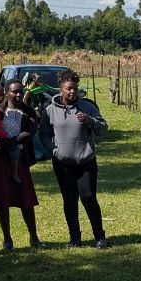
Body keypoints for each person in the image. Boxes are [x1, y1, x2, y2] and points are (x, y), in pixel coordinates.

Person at [0, 81, 42, 250]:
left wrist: (6, 143)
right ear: (7, 93)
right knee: (2, 199)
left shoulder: (27, 111)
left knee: (25, 198)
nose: (18, 95)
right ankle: (7, 239)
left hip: (18, 158)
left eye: (20, 92)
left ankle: (34, 237)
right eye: (14, 92)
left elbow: (29, 133)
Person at [43, 75, 108, 248]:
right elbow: (44, 133)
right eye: (68, 88)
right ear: (61, 90)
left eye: (75, 88)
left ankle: (99, 236)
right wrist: (53, 149)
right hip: (62, 163)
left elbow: (103, 128)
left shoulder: (87, 106)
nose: (72, 91)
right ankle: (75, 238)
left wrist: (90, 120)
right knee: (70, 200)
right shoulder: (50, 110)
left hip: (85, 161)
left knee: (88, 197)